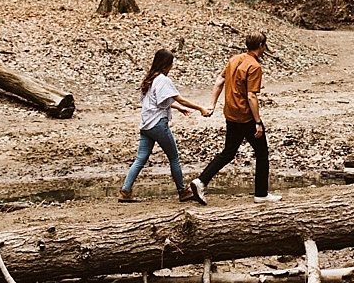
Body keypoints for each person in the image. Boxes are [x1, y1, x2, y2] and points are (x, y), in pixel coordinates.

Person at [190, 33, 281, 204]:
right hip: (245, 117)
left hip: (230, 114)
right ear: (261, 45)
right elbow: (251, 96)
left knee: (228, 153)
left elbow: (219, 81)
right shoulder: (254, 66)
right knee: (262, 153)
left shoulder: (234, 59)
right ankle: (261, 194)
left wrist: (213, 104)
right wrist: (258, 122)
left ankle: (200, 181)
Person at [120, 49, 209, 203]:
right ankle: (183, 191)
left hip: (146, 125)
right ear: (166, 64)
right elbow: (180, 99)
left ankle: (125, 191)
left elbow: (155, 102)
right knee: (174, 157)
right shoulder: (163, 80)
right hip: (158, 124)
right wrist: (200, 108)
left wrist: (178, 108)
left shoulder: (149, 79)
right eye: (171, 63)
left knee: (140, 159)